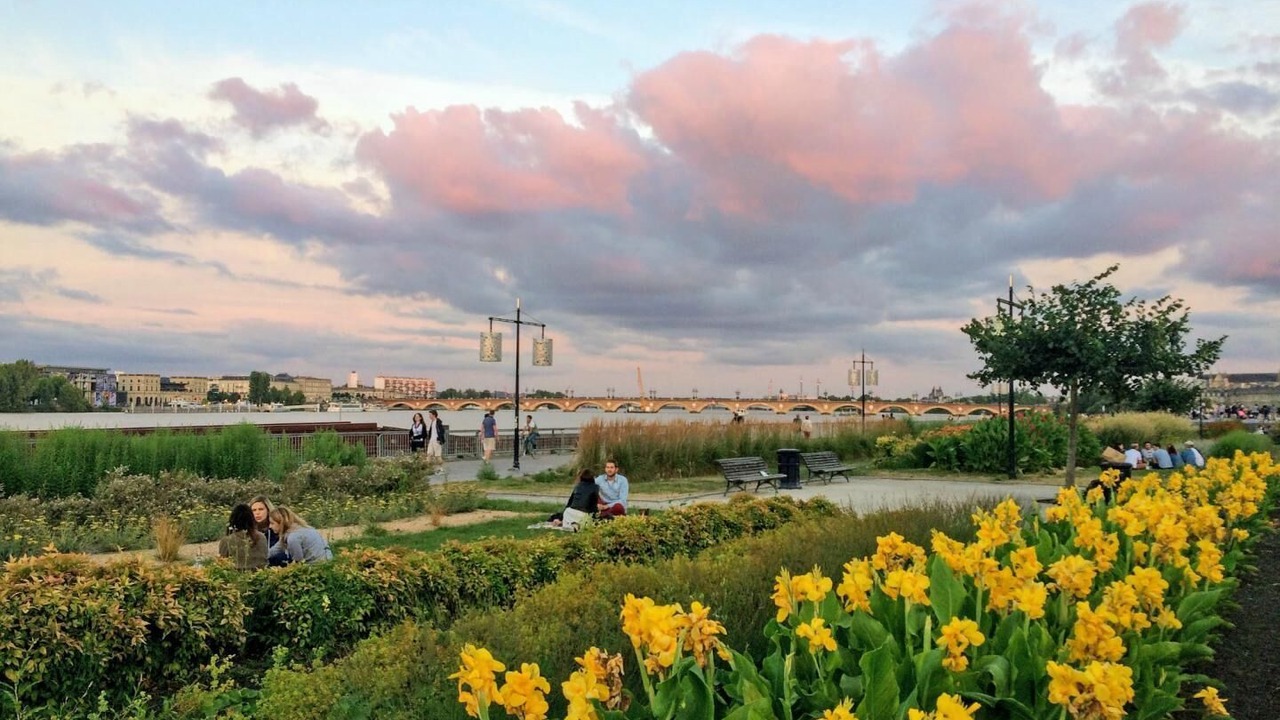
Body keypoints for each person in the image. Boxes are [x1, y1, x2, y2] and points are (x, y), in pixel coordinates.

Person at [268, 506, 333, 564]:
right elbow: (276, 549)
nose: (270, 526)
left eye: (272, 523)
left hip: (317, 566)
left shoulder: (293, 537)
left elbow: (298, 563)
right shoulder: (303, 528)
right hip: (328, 562)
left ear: (281, 523)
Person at [218, 503, 268, 571]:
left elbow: (222, 563)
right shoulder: (262, 537)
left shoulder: (227, 540)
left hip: (235, 577)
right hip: (260, 575)